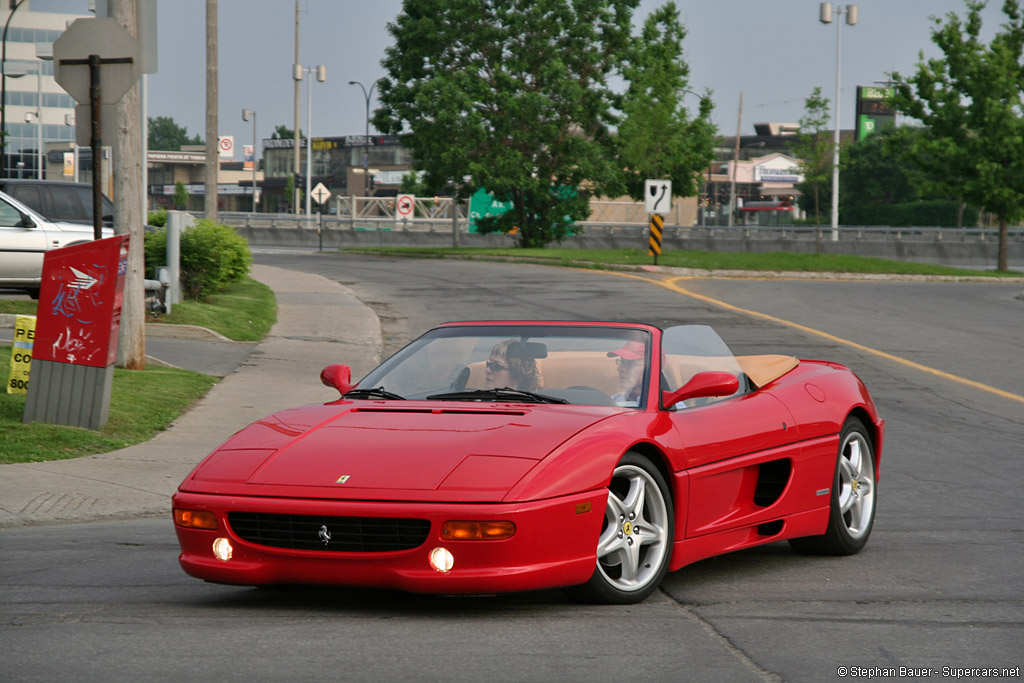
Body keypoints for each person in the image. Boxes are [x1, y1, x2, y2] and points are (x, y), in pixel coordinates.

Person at [608, 340, 646, 406]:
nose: (620, 368)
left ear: (651, 367)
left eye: (630, 363)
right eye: (622, 362)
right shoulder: (612, 401)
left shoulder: (660, 406)